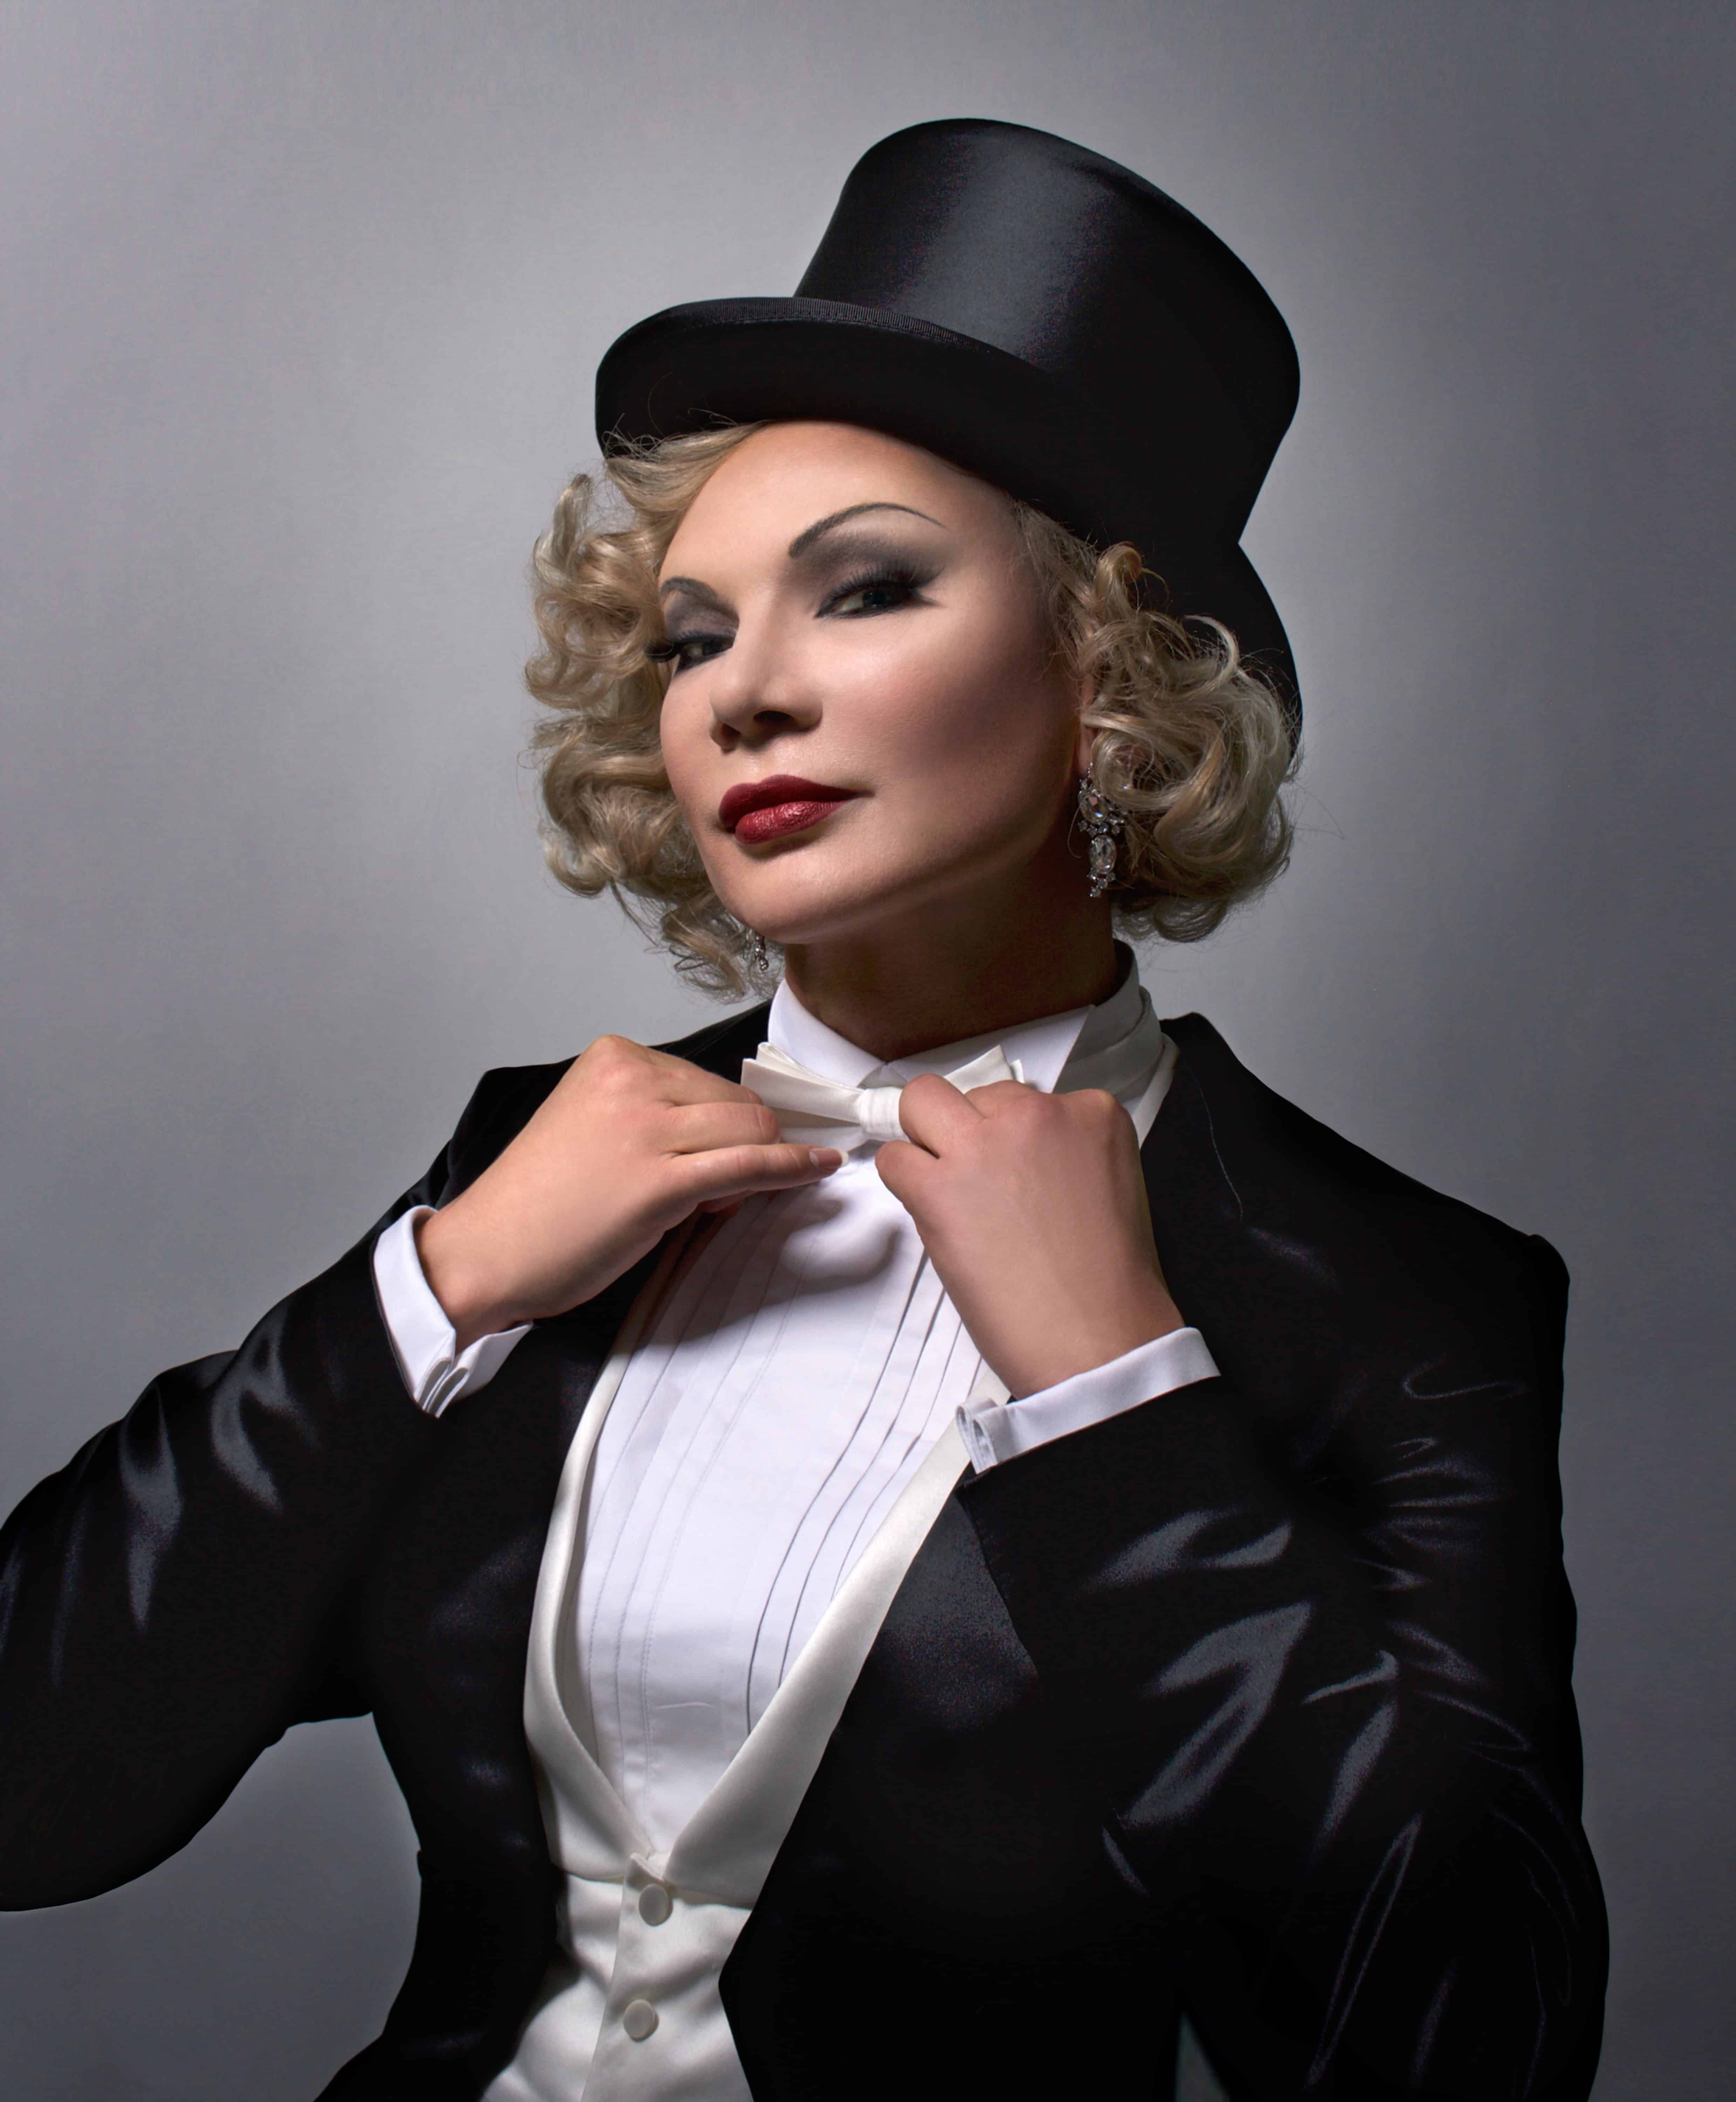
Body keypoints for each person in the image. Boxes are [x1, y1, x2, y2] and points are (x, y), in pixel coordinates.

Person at [0, 120, 1606, 2101]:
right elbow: (32, 1786)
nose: (738, 694)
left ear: (1106, 672)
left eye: (864, 592)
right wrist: (440, 1284)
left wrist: (1118, 1393)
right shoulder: (529, 1170)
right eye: (691, 636)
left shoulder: (1396, 1296)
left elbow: (1464, 2040)